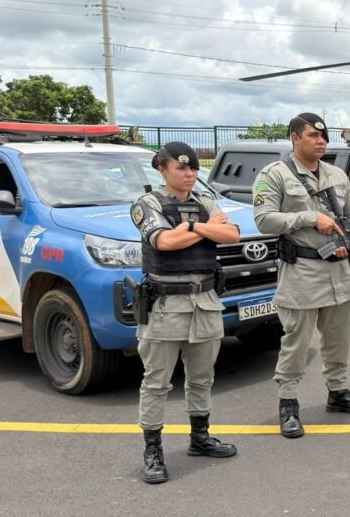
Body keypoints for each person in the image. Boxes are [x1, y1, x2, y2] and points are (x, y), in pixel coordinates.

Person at [253, 112, 350, 439]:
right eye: (312, 136)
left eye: (324, 137)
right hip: (302, 272)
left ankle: (338, 392)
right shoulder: (275, 175)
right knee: (297, 342)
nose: (321, 142)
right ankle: (288, 403)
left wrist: (347, 238)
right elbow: (264, 220)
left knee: (338, 340)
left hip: (339, 270)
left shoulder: (336, 174)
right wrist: (309, 218)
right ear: (295, 138)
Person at [130, 141, 239, 485]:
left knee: (202, 377)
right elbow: (163, 242)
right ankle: (153, 451)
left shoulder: (204, 201)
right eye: (182, 168)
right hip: (165, 305)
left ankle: (200, 438)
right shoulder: (146, 204)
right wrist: (205, 229)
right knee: (157, 382)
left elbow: (232, 234)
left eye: (193, 168)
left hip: (205, 303)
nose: (190, 173)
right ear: (162, 170)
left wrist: (191, 228)